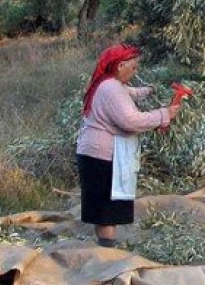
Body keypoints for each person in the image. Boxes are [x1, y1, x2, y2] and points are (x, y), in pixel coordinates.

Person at [76, 44, 181, 248]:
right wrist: (164, 114)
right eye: (133, 68)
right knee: (107, 210)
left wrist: (150, 90)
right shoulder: (111, 88)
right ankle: (108, 253)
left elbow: (130, 93)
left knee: (101, 207)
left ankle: (103, 247)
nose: (136, 72)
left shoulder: (109, 83)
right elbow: (130, 121)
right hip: (101, 157)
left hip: (94, 154)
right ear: (120, 66)